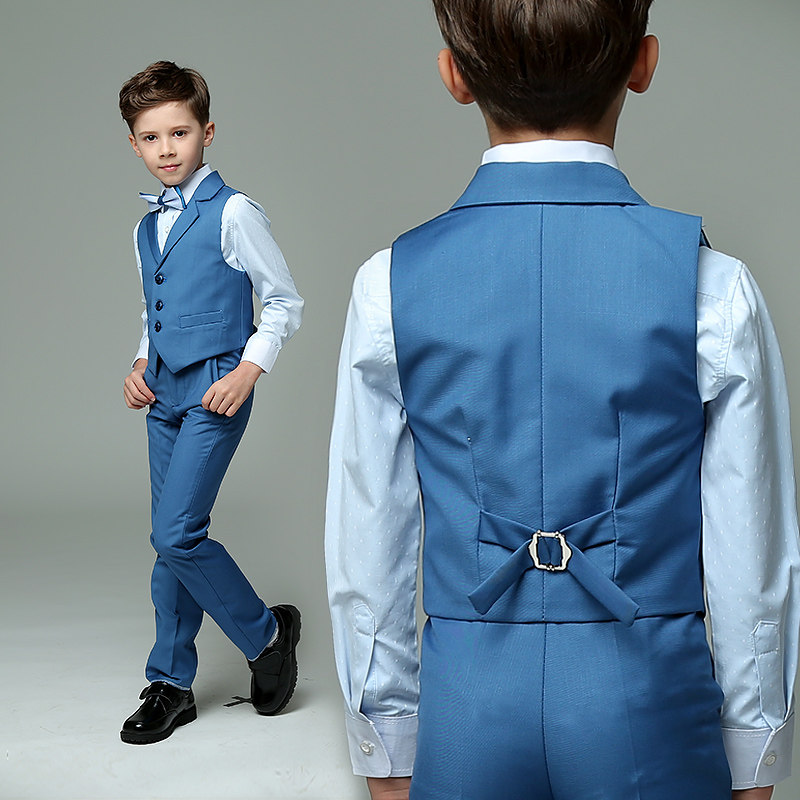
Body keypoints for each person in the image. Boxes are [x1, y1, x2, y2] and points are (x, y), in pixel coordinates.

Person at [325, 2, 800, 798]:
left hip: (467, 706)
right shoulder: (713, 286)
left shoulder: (389, 283)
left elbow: (368, 537)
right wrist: (756, 745)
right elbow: (751, 542)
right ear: (643, 65)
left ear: (454, 75)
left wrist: (386, 739)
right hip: (647, 698)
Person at [118, 61, 303, 744]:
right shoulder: (145, 229)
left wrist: (249, 371)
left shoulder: (233, 212)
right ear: (133, 144)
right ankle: (171, 683)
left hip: (218, 387)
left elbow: (283, 301)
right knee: (167, 542)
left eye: (180, 133)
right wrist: (140, 362)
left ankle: (266, 636)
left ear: (208, 132)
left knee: (176, 533)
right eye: (151, 137)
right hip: (164, 393)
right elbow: (155, 311)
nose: (167, 149)